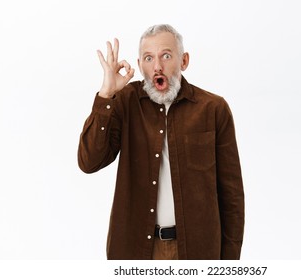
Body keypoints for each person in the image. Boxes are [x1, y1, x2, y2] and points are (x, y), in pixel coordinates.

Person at [78, 24, 244, 260]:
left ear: (184, 61)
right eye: (148, 58)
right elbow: (89, 161)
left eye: (166, 56)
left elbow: (232, 195)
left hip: (197, 252)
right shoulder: (124, 102)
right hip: (135, 252)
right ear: (139, 65)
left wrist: (228, 264)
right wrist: (106, 95)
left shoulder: (213, 109)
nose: (157, 66)